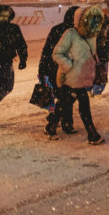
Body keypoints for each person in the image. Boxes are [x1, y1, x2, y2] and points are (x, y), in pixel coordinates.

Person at [50, 4, 106, 145]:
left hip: (83, 76)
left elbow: (91, 53)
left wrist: (96, 64)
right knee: (83, 104)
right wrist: (69, 65)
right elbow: (57, 53)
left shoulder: (91, 35)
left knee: (64, 102)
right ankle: (92, 134)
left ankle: (51, 126)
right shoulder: (70, 34)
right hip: (70, 77)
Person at [38, 7, 79, 135]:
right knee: (67, 96)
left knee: (66, 96)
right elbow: (49, 50)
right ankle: (59, 122)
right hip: (60, 69)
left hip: (60, 68)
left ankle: (61, 122)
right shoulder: (70, 31)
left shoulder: (60, 29)